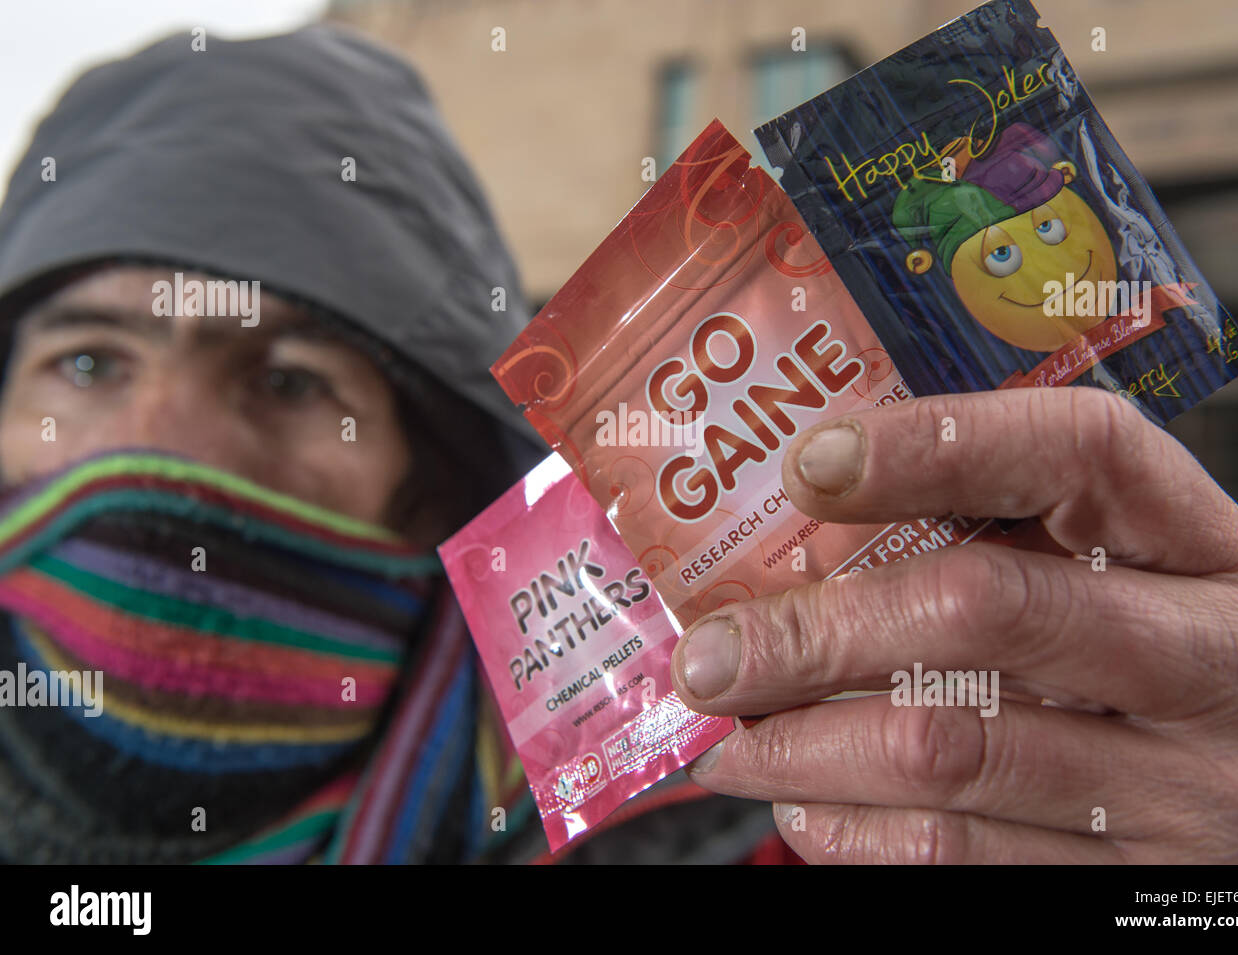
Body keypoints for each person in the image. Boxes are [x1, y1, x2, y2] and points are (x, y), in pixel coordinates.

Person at [0, 24, 783, 864]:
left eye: (290, 382)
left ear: (435, 487)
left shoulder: (771, 815)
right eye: (86, 363)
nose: (152, 449)